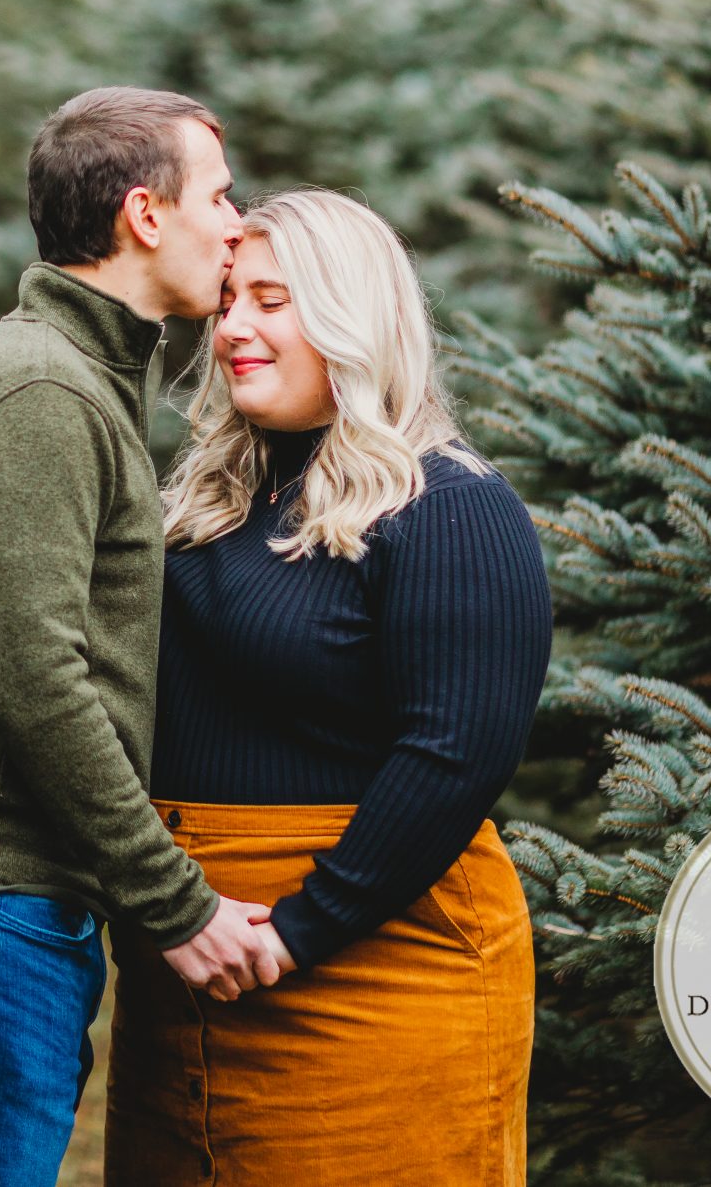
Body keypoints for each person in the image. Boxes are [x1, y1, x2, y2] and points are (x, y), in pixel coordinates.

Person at [0, 87, 286, 1187]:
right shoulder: (40, 388)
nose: (236, 225)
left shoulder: (79, 379)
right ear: (144, 214)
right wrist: (172, 901)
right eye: (219, 198)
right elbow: (37, 681)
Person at [107, 187, 553, 1185]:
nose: (232, 330)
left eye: (272, 300)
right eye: (227, 301)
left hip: (367, 962)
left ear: (353, 316)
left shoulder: (448, 506)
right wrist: (168, 906)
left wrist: (295, 935)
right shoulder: (209, 501)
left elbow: (454, 754)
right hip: (188, 960)